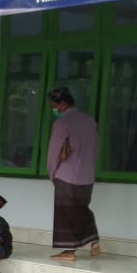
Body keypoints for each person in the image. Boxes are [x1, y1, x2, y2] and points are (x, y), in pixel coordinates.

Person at [46, 86, 101, 261]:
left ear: (62, 104)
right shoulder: (89, 121)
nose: (53, 109)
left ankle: (69, 251)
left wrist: (52, 173)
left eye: (54, 105)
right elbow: (95, 149)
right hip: (87, 176)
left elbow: (54, 152)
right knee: (80, 208)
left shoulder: (62, 123)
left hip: (66, 175)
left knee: (65, 213)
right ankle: (93, 239)